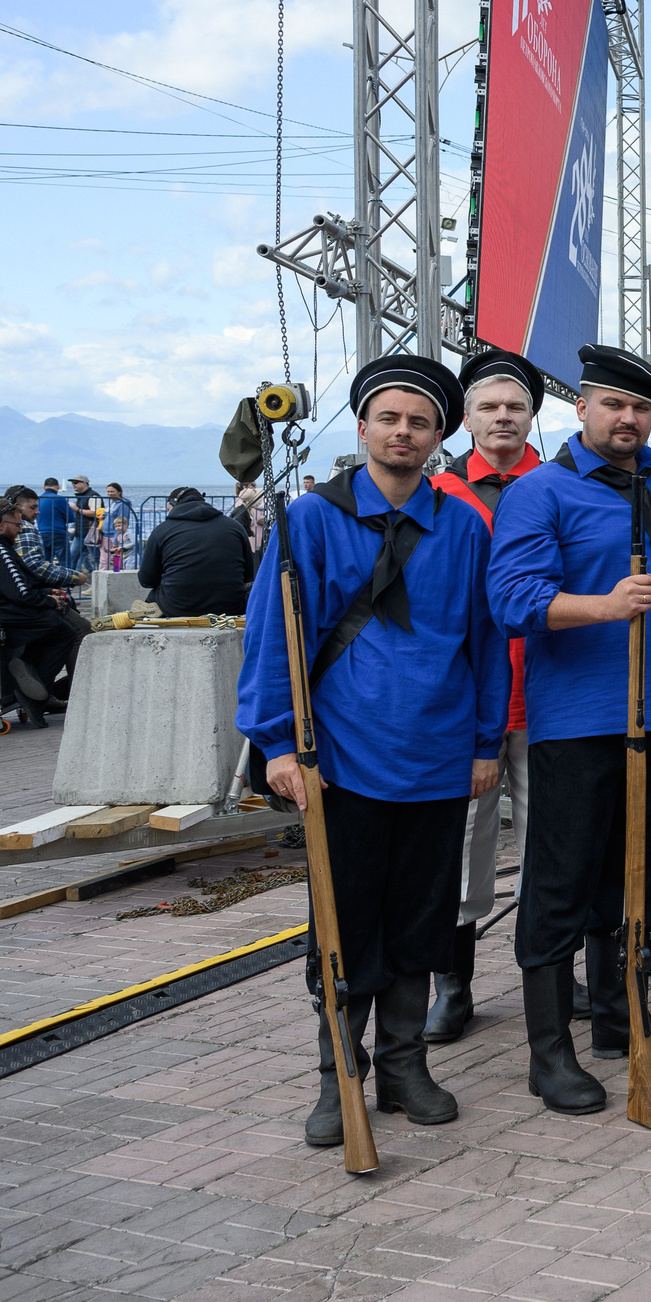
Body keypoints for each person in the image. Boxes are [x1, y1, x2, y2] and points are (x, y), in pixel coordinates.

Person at [237, 355, 508, 1150]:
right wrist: (278, 743)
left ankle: (404, 1064)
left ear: (438, 436)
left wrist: (485, 741)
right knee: (344, 923)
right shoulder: (311, 520)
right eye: (388, 418)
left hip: (437, 755)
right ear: (362, 428)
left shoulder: (464, 526)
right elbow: (273, 637)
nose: (403, 432)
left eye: (419, 422)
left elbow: (486, 644)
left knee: (422, 917)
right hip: (341, 759)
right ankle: (339, 1074)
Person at [490, 344, 651, 1115]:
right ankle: (549, 1051)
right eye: (613, 404)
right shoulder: (540, 492)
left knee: (635, 877)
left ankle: (621, 1019)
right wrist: (604, 606)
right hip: (578, 724)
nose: (628, 418)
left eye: (641, 407)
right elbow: (512, 600)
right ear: (581, 406)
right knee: (560, 886)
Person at [424, 347, 549, 1043]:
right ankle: (454, 983)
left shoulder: (561, 485)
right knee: (461, 842)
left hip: (547, 692)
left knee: (549, 842)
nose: (503, 417)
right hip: (468, 698)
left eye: (515, 406)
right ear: (465, 419)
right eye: (489, 406)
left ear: (533, 416)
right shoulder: (437, 493)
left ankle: (550, 975)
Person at [0, 496, 82, 723]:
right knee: (62, 629)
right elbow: (21, 593)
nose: (20, 531)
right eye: (18, 525)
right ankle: (36, 693)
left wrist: (45, 593)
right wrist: (50, 601)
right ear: (1, 524)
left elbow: (5, 585)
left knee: (48, 626)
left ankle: (29, 674)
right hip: (0, 612)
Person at [137, 486, 256, 616]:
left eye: (168, 509)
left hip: (176, 608)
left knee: (151, 601)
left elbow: (146, 580)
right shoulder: (235, 527)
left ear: (174, 504)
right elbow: (248, 575)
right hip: (231, 607)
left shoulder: (162, 530)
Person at [35, 478, 73, 570]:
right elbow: (71, 517)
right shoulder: (59, 499)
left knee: (44, 563)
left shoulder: (38, 500)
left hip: (42, 532)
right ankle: (66, 578)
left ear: (44, 487)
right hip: (58, 532)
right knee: (64, 562)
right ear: (57, 487)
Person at [99, 484, 137, 571]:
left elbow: (122, 521)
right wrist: (103, 516)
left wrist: (116, 540)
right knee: (104, 559)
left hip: (115, 535)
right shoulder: (112, 503)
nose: (110, 494)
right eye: (108, 491)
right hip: (106, 534)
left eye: (112, 491)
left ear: (119, 492)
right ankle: (102, 573)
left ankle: (118, 573)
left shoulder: (123, 505)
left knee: (118, 558)